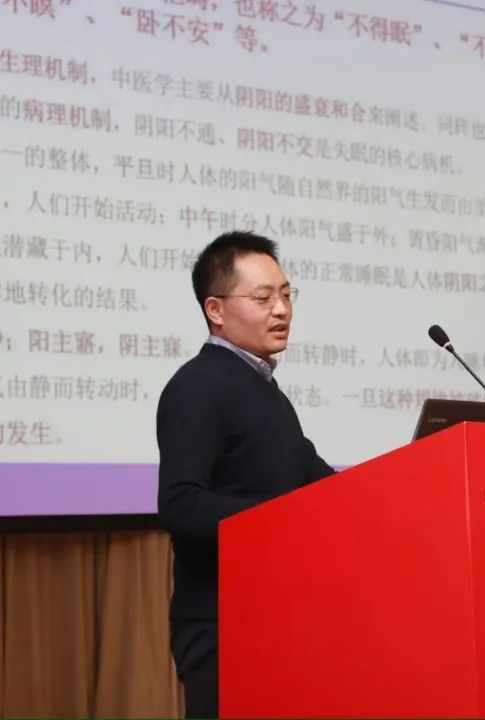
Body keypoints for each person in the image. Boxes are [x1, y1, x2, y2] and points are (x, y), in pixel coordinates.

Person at [156, 231, 334, 718]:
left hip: (280, 616)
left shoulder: (264, 390)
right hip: (225, 625)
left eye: (286, 295)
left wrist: (405, 484)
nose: (281, 310)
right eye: (263, 298)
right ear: (215, 309)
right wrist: (284, 517)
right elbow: (181, 505)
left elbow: (322, 484)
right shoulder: (197, 386)